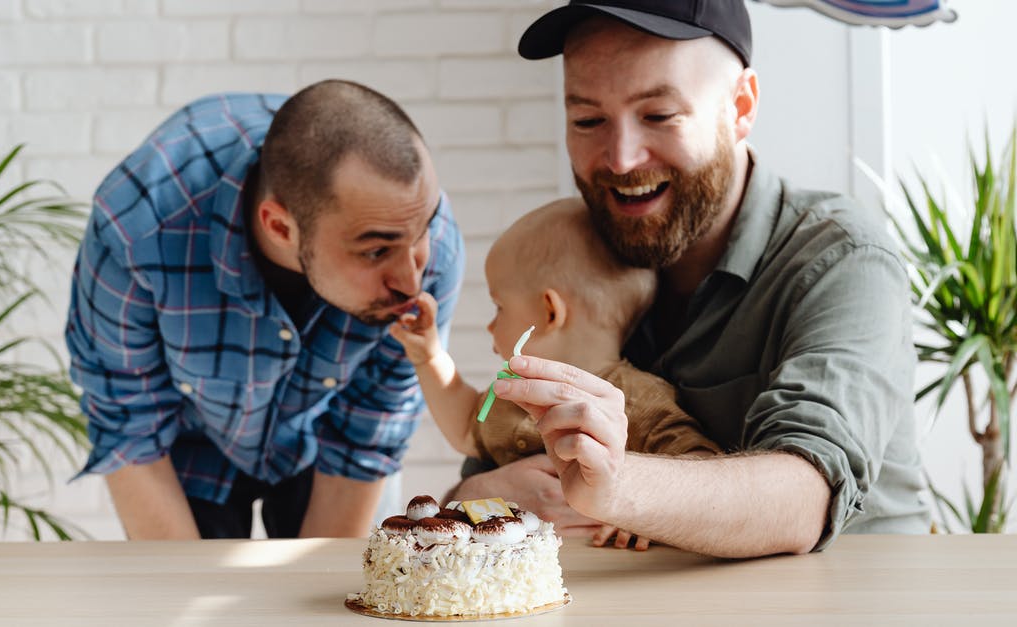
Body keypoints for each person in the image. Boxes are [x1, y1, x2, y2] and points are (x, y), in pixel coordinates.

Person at [451, 0, 930, 558]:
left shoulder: (843, 258)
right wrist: (477, 493)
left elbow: (804, 494)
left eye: (658, 115)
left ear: (741, 106)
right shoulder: (582, 252)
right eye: (588, 120)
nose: (622, 159)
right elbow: (492, 461)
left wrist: (619, 485)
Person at [65, 79, 464, 540]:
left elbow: (366, 438)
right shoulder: (136, 228)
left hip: (326, 433)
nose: (411, 281)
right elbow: (130, 426)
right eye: (376, 252)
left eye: (422, 232)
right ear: (279, 226)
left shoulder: (421, 235)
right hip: (189, 441)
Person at [390, 198, 720, 550]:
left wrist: (653, 513)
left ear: (549, 313)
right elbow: (465, 427)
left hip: (611, 579)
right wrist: (428, 357)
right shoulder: (514, 397)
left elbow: (704, 472)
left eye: (499, 307)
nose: (490, 325)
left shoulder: (642, 401)